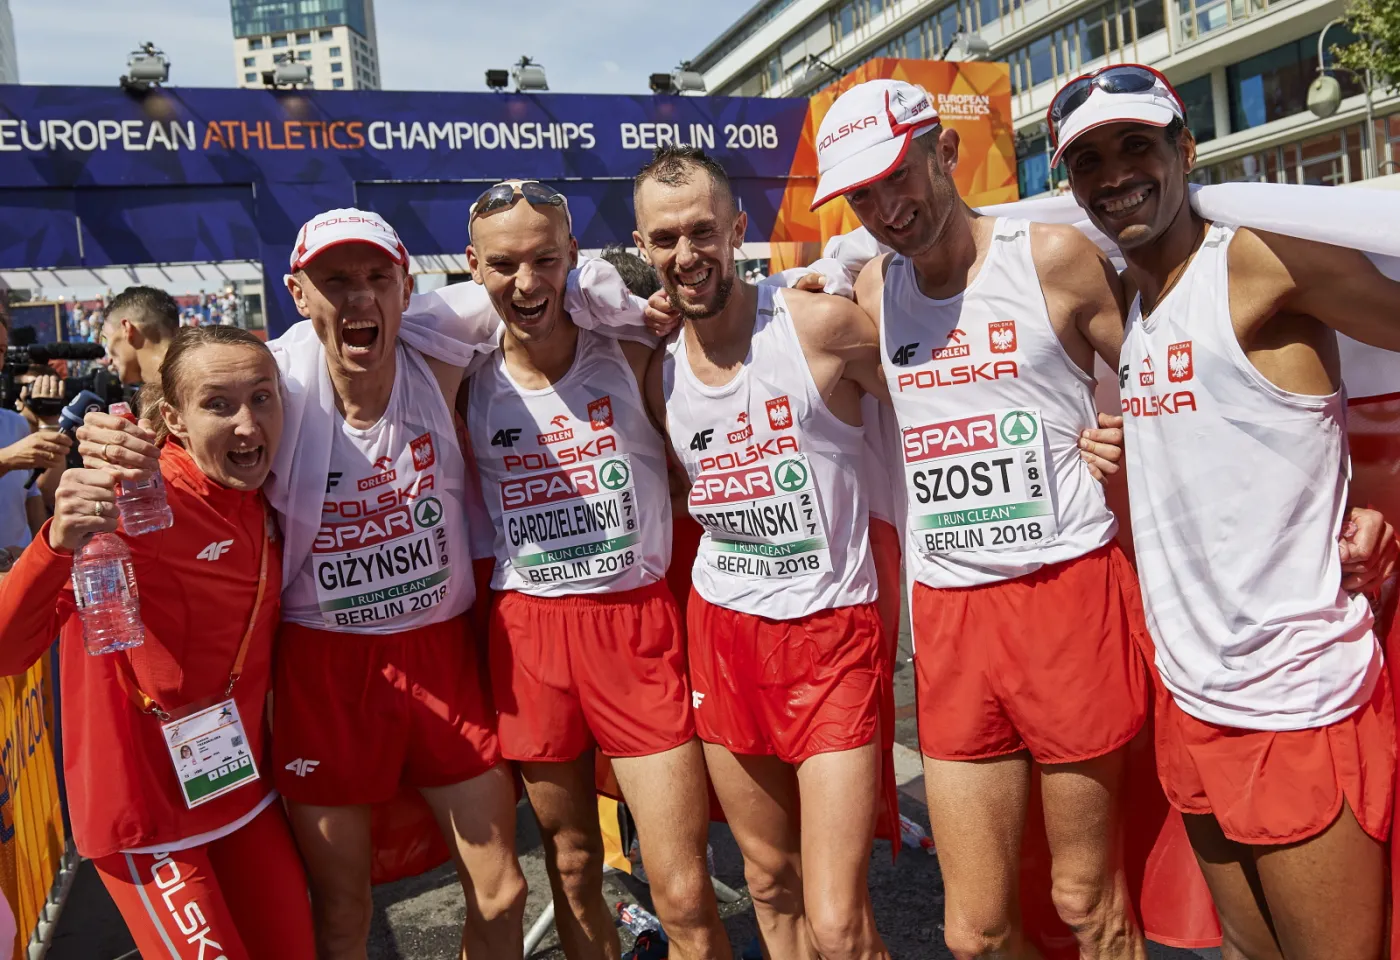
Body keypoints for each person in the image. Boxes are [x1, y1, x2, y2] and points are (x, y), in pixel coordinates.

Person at [1050, 64, 1400, 960]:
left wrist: (1387, 502)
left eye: (1138, 145)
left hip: (1297, 702)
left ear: (1186, 149)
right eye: (1089, 160)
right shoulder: (1129, 300)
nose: (1116, 173)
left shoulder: (1256, 262)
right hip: (1192, 695)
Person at [810, 78, 1149, 959]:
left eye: (899, 177)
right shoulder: (876, 291)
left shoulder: (1053, 258)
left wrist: (1134, 441)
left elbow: (1173, 373)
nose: (888, 208)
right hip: (954, 616)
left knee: (1087, 901)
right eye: (862, 194)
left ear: (944, 153)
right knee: (974, 932)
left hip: (1065, 596)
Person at [635, 145, 893, 960]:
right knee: (769, 882)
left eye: (703, 232)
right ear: (642, 248)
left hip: (832, 637)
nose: (687, 255)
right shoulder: (657, 372)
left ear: (738, 229)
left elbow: (945, 386)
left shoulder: (815, 323)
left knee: (841, 921)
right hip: (725, 636)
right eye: (665, 239)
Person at [463, 181, 729, 960]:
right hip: (531, 637)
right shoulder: (463, 378)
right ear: (475, 268)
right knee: (573, 863)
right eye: (505, 264)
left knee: (682, 887)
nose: (527, 281)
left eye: (546, 258)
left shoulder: (636, 349)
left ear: (572, 257)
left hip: (634, 624)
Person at [0, 324, 316, 960]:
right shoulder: (133, 495)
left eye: (262, 398)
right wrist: (56, 543)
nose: (249, 425)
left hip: (240, 793)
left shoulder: (280, 488)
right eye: (218, 404)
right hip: (145, 813)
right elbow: (7, 649)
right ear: (172, 416)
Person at [272, 208, 526, 960]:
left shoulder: (434, 352)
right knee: (345, 913)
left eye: (376, 278)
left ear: (406, 287)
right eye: (335, 281)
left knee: (504, 890)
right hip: (325, 668)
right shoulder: (275, 385)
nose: (359, 300)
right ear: (298, 292)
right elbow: (189, 413)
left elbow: (548, 275)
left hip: (439, 653)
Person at [0, 313, 67, 550]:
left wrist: (37, 556)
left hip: (17, 579)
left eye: (0, 350)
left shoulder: (14, 424)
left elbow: (36, 495)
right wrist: (6, 460)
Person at [101, 286, 181, 385]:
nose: (109, 359)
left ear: (127, 330)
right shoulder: (190, 378)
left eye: (107, 339)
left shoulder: (190, 389)